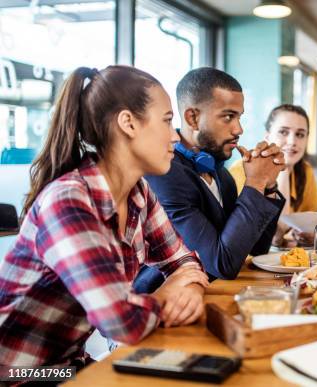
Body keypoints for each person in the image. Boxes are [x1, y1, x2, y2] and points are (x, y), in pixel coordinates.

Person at [0, 66, 208, 368]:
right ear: (128, 123)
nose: (175, 136)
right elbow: (123, 322)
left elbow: (185, 261)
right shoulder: (68, 202)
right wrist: (167, 294)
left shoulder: (139, 193)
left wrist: (189, 288)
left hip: (69, 365)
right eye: (166, 121)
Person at [141, 67, 285, 285]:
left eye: (239, 117)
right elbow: (220, 263)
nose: (239, 129)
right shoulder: (165, 175)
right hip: (166, 307)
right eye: (228, 116)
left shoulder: (221, 174)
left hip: (211, 297)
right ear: (193, 118)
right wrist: (254, 182)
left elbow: (256, 248)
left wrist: (268, 185)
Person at [229, 104, 317, 247]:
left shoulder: (306, 172)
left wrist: (310, 235)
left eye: (300, 135)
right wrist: (284, 169)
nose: (292, 142)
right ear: (267, 136)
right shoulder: (241, 171)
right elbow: (273, 236)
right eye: (283, 132)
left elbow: (315, 222)